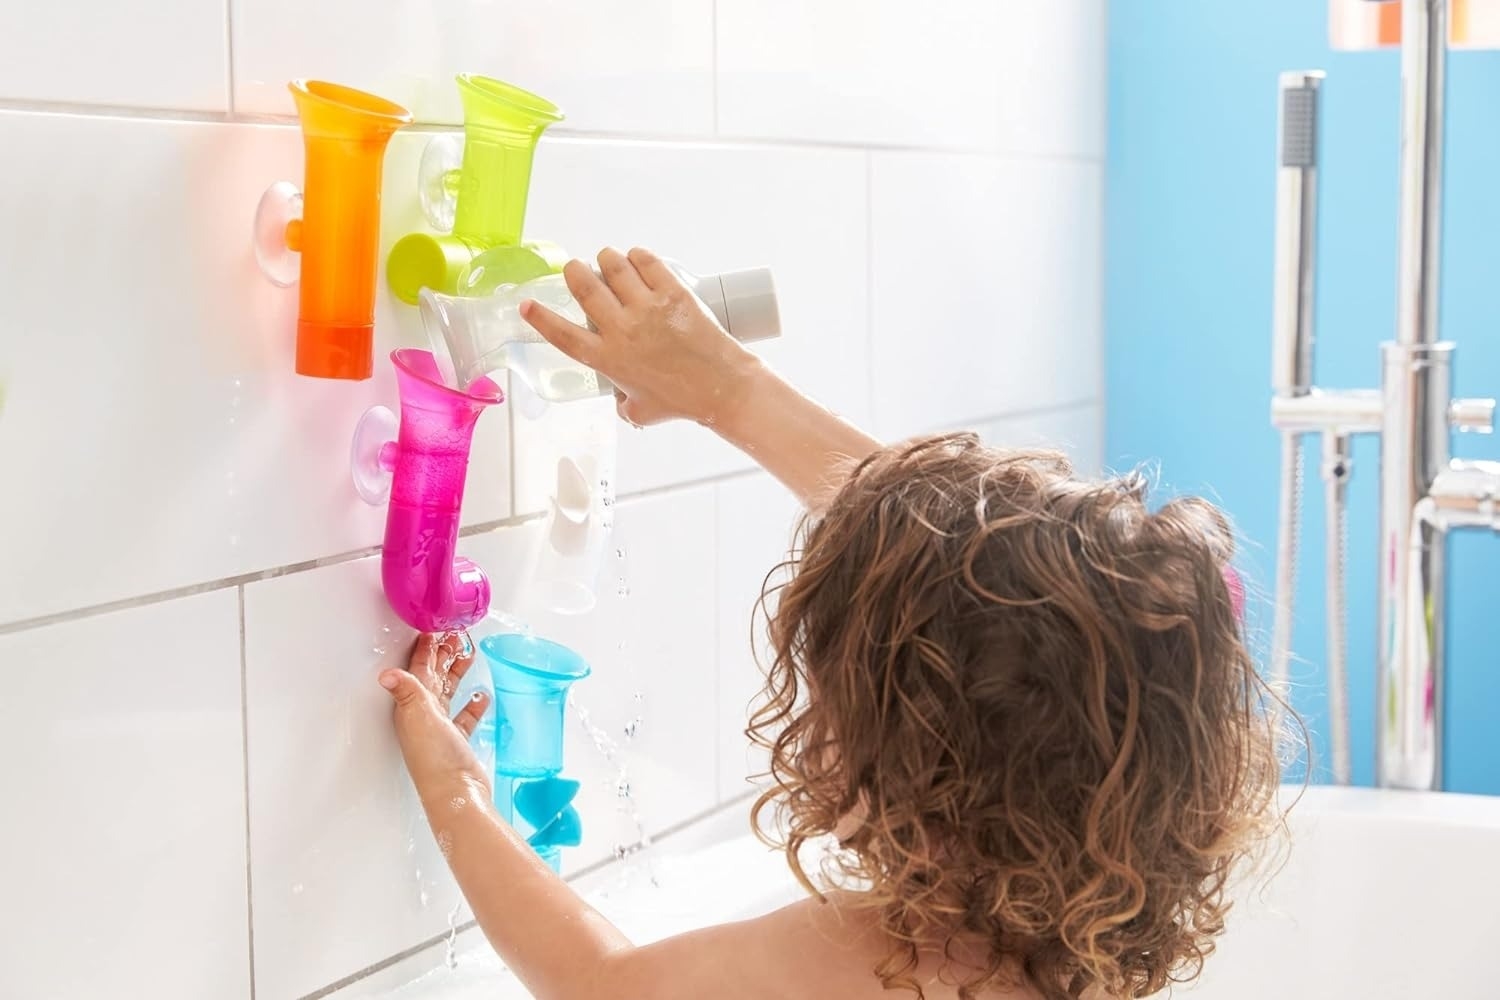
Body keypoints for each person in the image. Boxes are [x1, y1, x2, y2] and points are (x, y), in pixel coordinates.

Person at [378, 247, 1284, 1000]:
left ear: (910, 766)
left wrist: (455, 796)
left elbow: (597, 983)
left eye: (832, 691)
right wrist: (725, 389)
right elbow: (967, 577)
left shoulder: (864, 963)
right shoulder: (1086, 946)